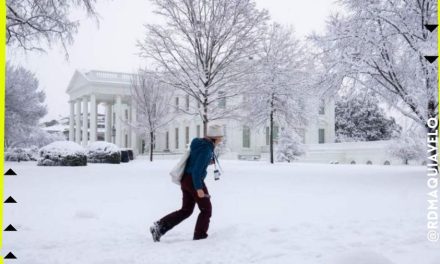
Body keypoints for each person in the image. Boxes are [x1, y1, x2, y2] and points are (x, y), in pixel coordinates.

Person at [150, 125, 224, 242]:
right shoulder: (206, 149)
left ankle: (159, 226)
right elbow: (196, 171)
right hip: (194, 181)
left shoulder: (198, 143)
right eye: (220, 137)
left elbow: (194, 160)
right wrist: (199, 188)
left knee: (186, 210)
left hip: (186, 179)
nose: (221, 139)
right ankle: (200, 235)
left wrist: (206, 162)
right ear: (215, 137)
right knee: (206, 209)